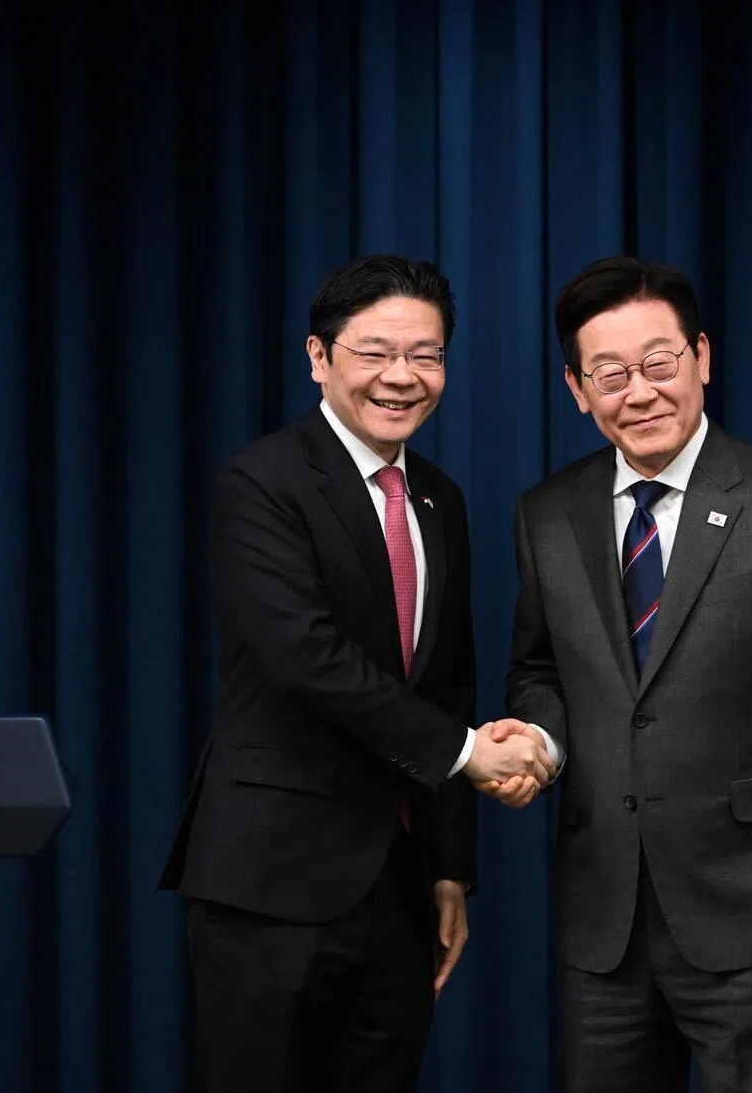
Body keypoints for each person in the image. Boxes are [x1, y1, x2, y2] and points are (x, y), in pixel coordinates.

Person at [487, 256, 752, 1092]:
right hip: (605, 908)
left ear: (702, 358)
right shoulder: (546, 514)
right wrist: (541, 741)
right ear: (576, 388)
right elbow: (536, 671)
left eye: (660, 364)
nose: (639, 392)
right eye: (611, 374)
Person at [159, 254, 554, 1093]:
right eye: (375, 352)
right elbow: (307, 659)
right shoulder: (263, 479)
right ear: (319, 356)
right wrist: (469, 755)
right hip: (272, 880)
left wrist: (451, 868)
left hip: (401, 887)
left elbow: (445, 682)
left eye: (427, 355)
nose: (402, 377)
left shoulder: (440, 499)